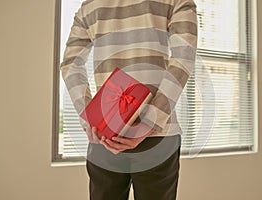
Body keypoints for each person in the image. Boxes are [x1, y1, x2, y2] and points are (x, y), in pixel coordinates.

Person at [60, 0, 197, 199]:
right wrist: (151, 121)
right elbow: (184, 55)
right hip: (157, 138)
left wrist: (92, 119)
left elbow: (70, 65)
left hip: (105, 133)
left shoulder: (88, 6)